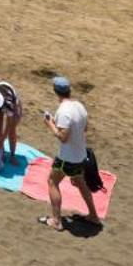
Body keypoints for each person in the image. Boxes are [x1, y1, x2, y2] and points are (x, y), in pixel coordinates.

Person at [38, 75, 96, 231]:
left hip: (67, 158)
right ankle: (93, 216)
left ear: (55, 91)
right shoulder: (79, 106)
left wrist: (50, 124)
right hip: (80, 155)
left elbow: (63, 137)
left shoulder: (63, 111)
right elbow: (84, 129)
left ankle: (56, 220)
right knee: (80, 183)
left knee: (52, 181)